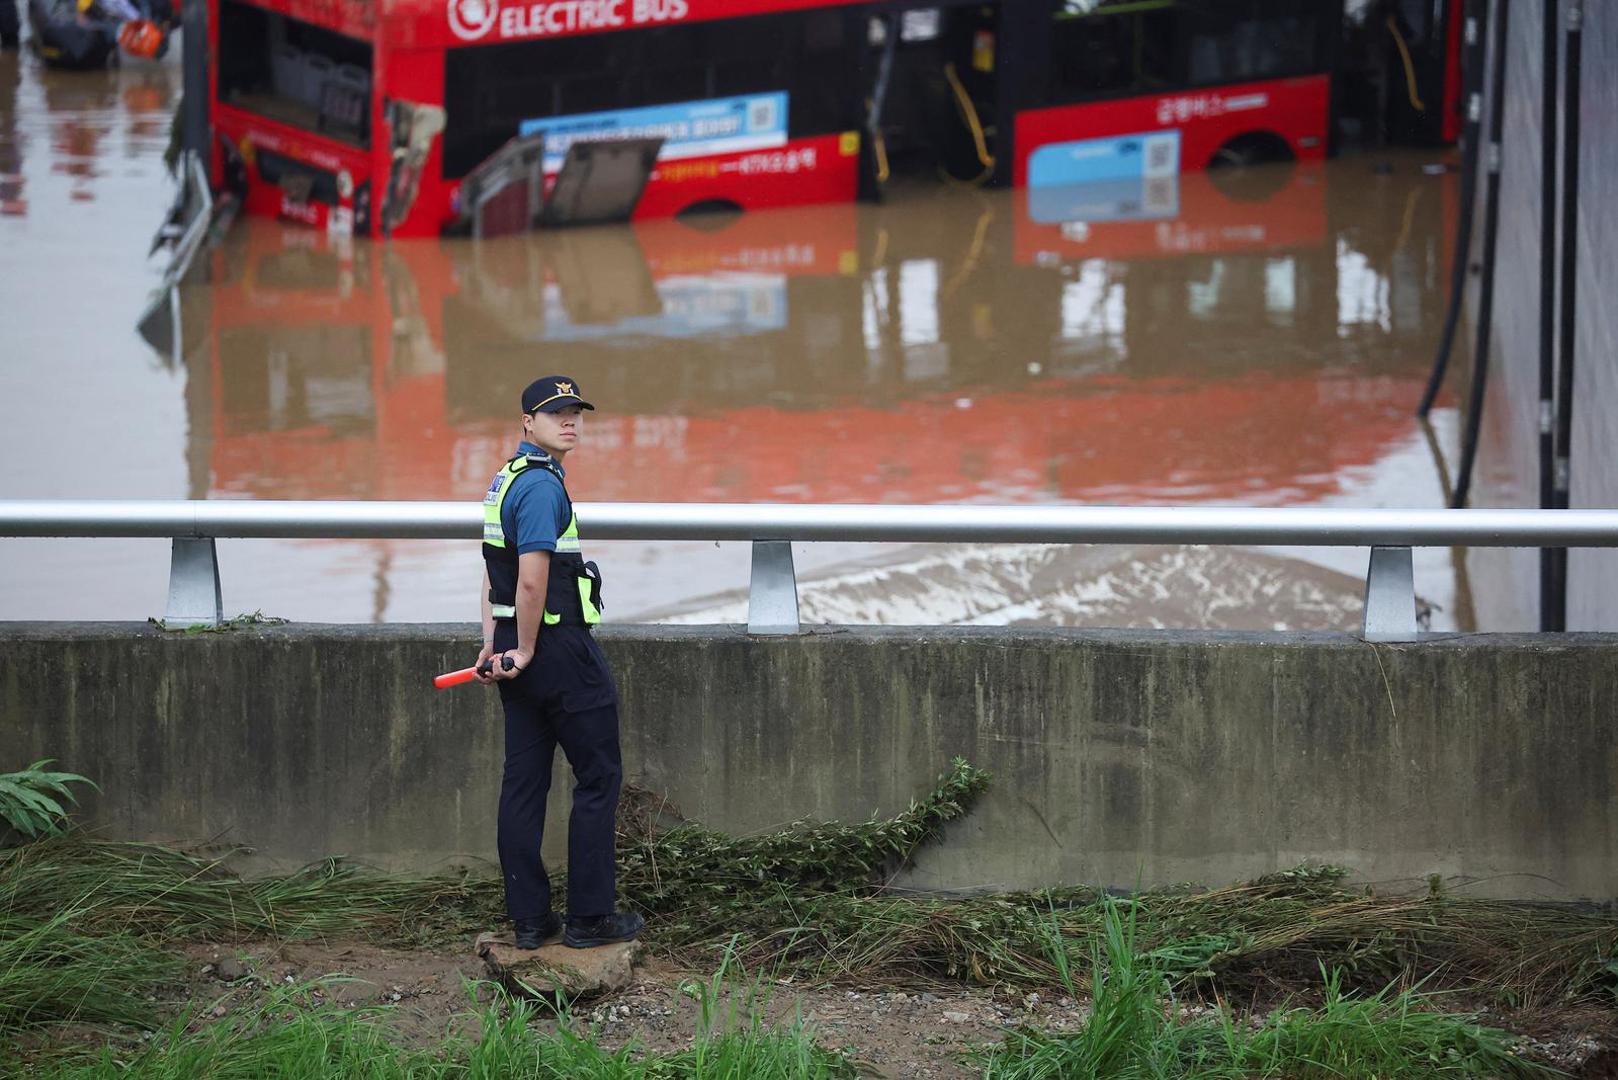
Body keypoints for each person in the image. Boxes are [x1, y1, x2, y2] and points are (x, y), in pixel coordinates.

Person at [476, 375, 643, 950]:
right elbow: (529, 579)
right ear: (529, 422)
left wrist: (492, 642)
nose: (569, 421)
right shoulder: (543, 487)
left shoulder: (505, 479)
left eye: (575, 412)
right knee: (598, 779)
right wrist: (522, 647)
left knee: (522, 785)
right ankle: (589, 920)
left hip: (514, 650)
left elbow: (490, 570)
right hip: (557, 651)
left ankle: (529, 921)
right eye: (555, 413)